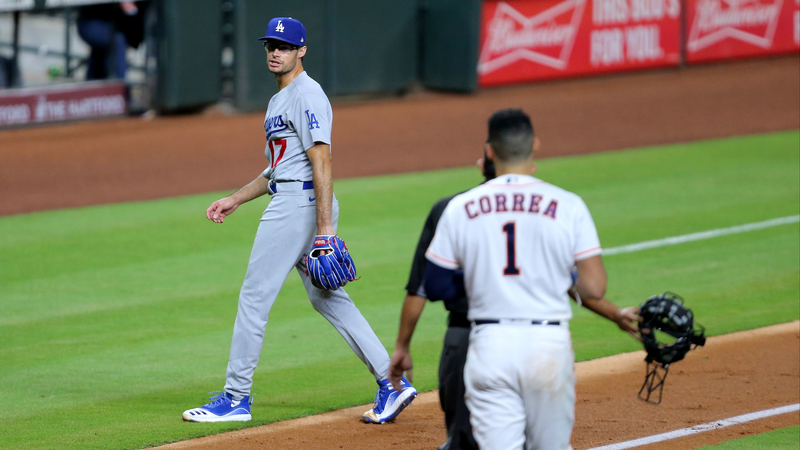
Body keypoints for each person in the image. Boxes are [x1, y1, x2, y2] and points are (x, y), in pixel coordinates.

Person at [182, 17, 416, 424]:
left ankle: (236, 397)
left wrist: (325, 229)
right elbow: (279, 169)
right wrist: (236, 198)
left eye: (285, 47)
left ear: (301, 51)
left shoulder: (307, 94)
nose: (276, 52)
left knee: (254, 298)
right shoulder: (280, 100)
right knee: (328, 297)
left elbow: (321, 159)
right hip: (297, 200)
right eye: (271, 46)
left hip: (298, 207)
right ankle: (391, 382)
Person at [422, 109, 640, 449]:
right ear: (535, 146)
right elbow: (594, 286)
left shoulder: (461, 207)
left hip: (490, 345)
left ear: (490, 151)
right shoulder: (568, 205)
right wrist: (552, 276)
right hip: (546, 347)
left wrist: (483, 279)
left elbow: (435, 285)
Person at [387, 154, 496, 450]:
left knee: (462, 440)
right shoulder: (554, 206)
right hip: (535, 340)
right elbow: (588, 285)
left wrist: (402, 347)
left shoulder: (451, 208)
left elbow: (425, 287)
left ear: (481, 164)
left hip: (467, 336)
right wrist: (612, 314)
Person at [76, 1, 144, 81]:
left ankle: (93, 84)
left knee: (100, 54)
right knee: (117, 42)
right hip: (91, 20)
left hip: (112, 23)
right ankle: (118, 85)